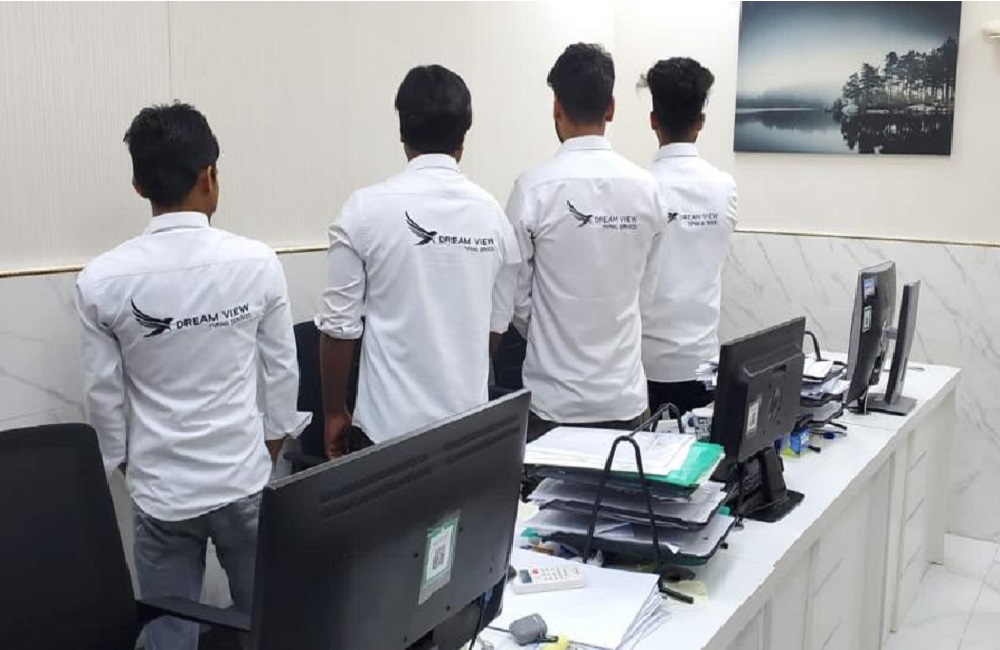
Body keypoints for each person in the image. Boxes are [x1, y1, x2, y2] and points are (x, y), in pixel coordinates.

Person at [76, 103, 310, 650]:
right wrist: (269, 444)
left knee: (167, 634)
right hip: (243, 478)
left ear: (138, 185)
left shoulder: (101, 281)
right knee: (267, 624)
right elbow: (282, 370)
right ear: (209, 176)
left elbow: (102, 400)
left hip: (161, 491)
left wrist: (130, 465)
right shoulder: (257, 263)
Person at [316, 65, 520, 458]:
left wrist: (334, 412)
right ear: (464, 133)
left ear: (402, 132)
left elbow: (339, 330)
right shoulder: (494, 218)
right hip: (467, 433)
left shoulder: (363, 211)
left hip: (384, 437)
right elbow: (494, 330)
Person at [501, 43, 666, 442]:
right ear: (611, 108)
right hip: (624, 401)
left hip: (553, 405)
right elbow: (645, 292)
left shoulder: (533, 189)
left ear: (556, 107)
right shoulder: (647, 190)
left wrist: (551, 325)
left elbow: (515, 297)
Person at [639, 58, 737, 415]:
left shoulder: (639, 189)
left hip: (645, 366)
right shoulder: (724, 188)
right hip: (703, 366)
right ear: (701, 122)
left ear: (653, 120)